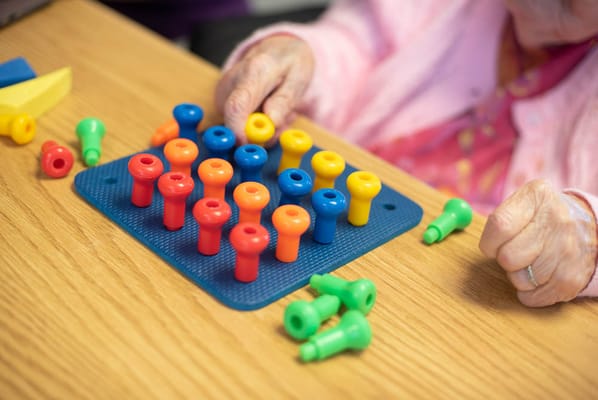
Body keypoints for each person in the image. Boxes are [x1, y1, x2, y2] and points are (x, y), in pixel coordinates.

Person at [214, 0, 598, 308]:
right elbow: (352, 44)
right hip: (343, 240)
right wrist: (300, 58)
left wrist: (590, 238)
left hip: (459, 302)